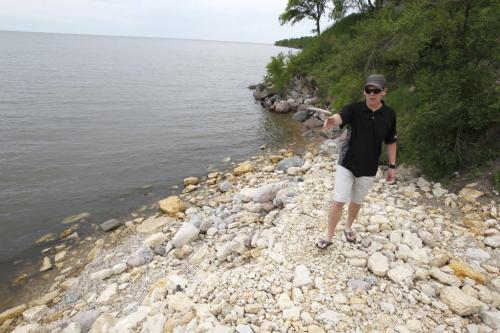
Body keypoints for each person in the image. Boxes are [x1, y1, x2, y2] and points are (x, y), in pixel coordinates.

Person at [316, 74, 397, 249]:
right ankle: (328, 237)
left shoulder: (389, 115)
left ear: (384, 92)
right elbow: (341, 116)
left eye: (376, 90)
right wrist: (332, 120)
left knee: (356, 202)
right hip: (347, 163)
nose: (372, 93)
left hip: (369, 167)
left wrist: (392, 166)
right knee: (338, 201)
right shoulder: (355, 109)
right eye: (368, 90)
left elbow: (391, 141)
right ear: (364, 91)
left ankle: (348, 227)